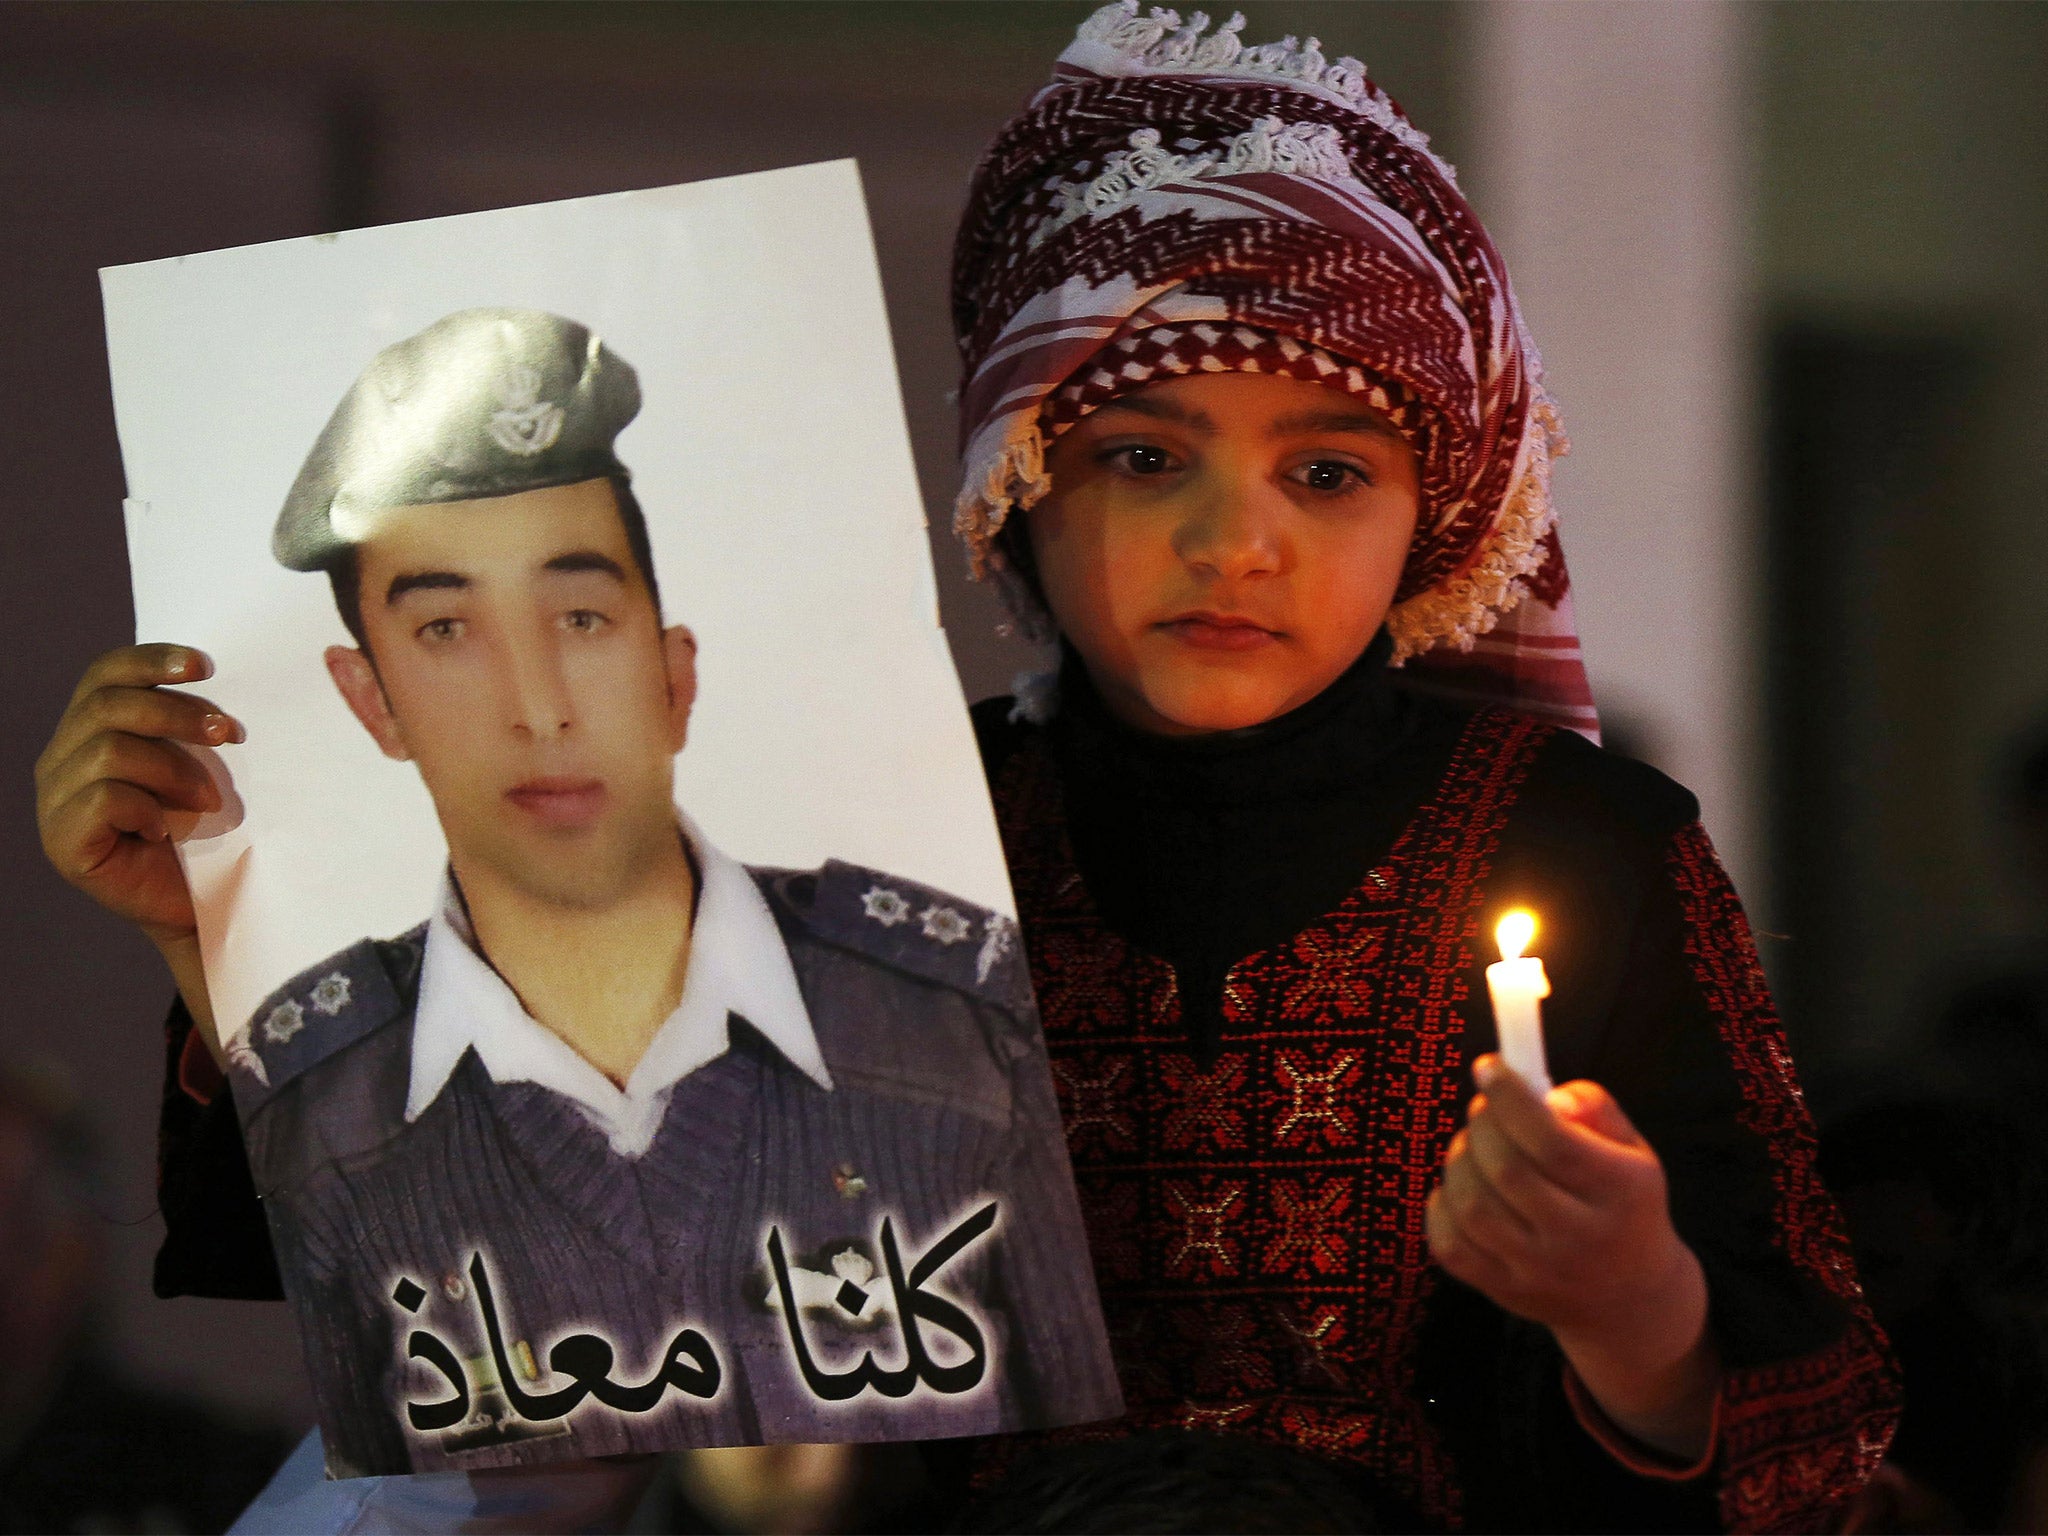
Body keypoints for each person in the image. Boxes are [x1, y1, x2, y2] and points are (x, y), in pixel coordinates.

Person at [38, 7, 1900, 1530]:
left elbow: (1820, 1432)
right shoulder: (855, 834)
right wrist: (223, 939)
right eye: (1142, 456)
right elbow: (520, 1307)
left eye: (1322, 471)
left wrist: (1632, 1312)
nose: (1230, 540)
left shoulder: (1587, 847)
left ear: (1437, 511)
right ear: (1014, 481)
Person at [38, 308, 1120, 1480]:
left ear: (673, 671)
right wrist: (203, 932)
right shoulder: (333, 1072)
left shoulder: (949, 1013)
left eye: (582, 617)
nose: (538, 703)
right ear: (373, 702)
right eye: (447, 627)